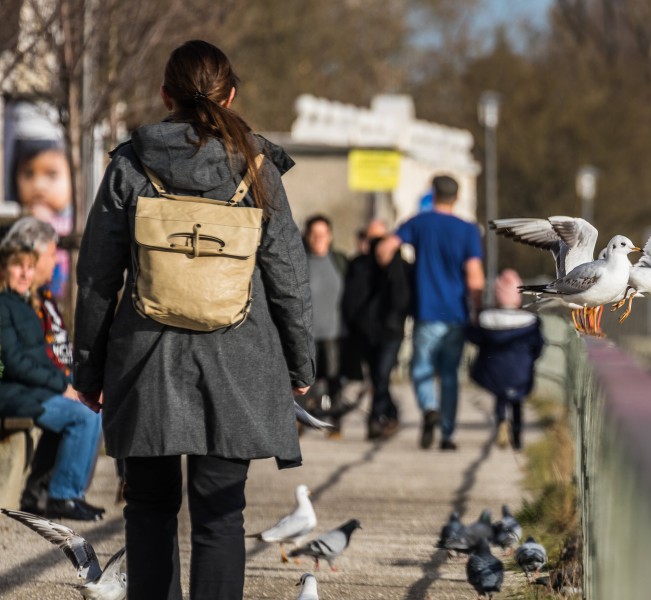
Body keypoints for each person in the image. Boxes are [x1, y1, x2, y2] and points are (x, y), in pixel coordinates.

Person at [73, 40, 315, 600]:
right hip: (239, 359)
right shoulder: (257, 170)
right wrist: (300, 364)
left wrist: (89, 369)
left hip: (146, 361)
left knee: (150, 506)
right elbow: (289, 279)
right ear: (231, 96)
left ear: (165, 96)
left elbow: (96, 280)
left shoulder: (130, 165)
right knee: (221, 513)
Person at [377, 174, 484, 451]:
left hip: (426, 311)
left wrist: (388, 272)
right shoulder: (467, 230)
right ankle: (447, 435)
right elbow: (474, 276)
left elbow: (387, 248)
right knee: (449, 375)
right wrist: (478, 308)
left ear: (433, 194)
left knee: (421, 367)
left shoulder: (419, 223)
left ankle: (428, 407)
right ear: (457, 197)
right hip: (457, 314)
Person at [0, 240, 103, 521]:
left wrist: (74, 384)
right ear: (3, 269)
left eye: (29, 268)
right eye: (17, 266)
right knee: (83, 416)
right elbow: (14, 362)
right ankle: (63, 496)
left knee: (88, 407)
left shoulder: (24, 305)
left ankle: (42, 493)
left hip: (30, 392)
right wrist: (60, 386)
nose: (24, 274)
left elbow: (40, 361)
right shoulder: (3, 306)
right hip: (13, 393)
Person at [342, 219, 410, 440]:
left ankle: (375, 419)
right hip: (366, 333)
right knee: (377, 377)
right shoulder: (358, 265)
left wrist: (391, 264)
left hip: (391, 332)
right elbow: (350, 299)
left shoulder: (400, 267)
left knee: (381, 374)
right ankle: (391, 413)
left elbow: (402, 299)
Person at [467, 269, 545, 451]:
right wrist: (531, 360)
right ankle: (517, 435)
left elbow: (473, 337)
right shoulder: (531, 322)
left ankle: (501, 420)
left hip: (494, 371)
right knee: (517, 401)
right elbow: (538, 346)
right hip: (520, 372)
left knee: (501, 397)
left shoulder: (486, 320)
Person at [303, 214, 350, 438]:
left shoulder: (340, 261)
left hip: (334, 332)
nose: (318, 238)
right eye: (314, 234)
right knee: (303, 380)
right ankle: (298, 423)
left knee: (334, 379)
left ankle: (336, 422)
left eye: (322, 234)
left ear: (330, 236)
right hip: (305, 333)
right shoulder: (299, 261)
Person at [12, 139, 73, 298]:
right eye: (28, 174)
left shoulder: (70, 223)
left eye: (51, 174)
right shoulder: (18, 219)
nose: (38, 185)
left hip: (60, 286)